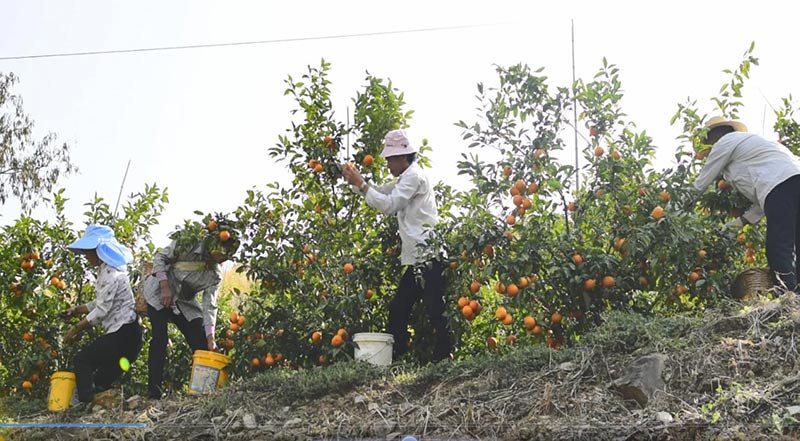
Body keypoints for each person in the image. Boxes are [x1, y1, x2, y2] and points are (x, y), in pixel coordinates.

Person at [341, 129, 453, 362]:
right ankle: (398, 357)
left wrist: (361, 184)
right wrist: (355, 180)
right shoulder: (404, 178)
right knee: (400, 308)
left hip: (429, 256)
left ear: (404, 157)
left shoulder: (414, 177)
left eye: (391, 158)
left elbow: (389, 205)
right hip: (418, 258)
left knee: (435, 311)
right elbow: (380, 192)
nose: (388, 163)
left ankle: (443, 359)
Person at [693, 115, 800, 290]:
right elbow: (765, 193)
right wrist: (742, 221)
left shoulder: (724, 142)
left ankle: (789, 300)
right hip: (791, 182)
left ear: (712, 137)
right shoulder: (751, 145)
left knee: (778, 247)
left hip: (783, 186)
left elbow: (701, 183)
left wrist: (674, 208)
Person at [142, 226, 240, 400]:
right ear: (215, 244)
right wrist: (165, 286)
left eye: (229, 255)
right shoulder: (189, 242)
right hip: (159, 292)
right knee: (160, 337)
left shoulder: (214, 275)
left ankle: (202, 393)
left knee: (201, 341)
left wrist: (211, 338)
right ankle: (154, 393)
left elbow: (210, 305)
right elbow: (160, 257)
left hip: (184, 302)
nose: (225, 258)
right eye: (224, 253)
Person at [61, 224, 143, 404]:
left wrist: (75, 329)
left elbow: (101, 311)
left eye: (89, 252)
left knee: (82, 360)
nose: (87, 257)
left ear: (100, 251)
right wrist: (75, 310)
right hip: (127, 336)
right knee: (99, 382)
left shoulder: (112, 275)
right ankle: (94, 408)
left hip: (125, 334)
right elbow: (98, 304)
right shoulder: (105, 272)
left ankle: (83, 406)